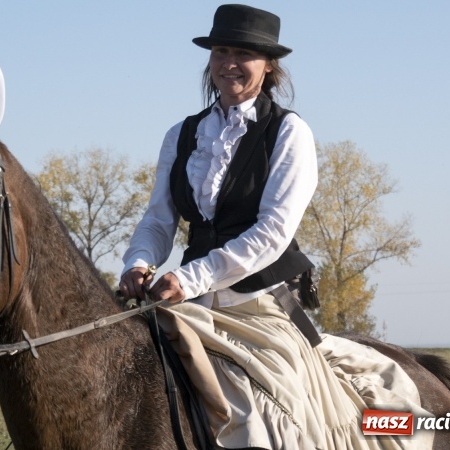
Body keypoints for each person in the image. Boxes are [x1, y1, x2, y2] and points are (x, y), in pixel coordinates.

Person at [121, 5, 429, 449]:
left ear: (268, 66)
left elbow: (272, 233)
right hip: (189, 303)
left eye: (242, 53)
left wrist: (190, 277)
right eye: (220, 50)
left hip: (258, 304)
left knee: (272, 421)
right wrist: (139, 261)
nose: (229, 63)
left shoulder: (289, 133)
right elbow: (159, 217)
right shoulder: (181, 135)